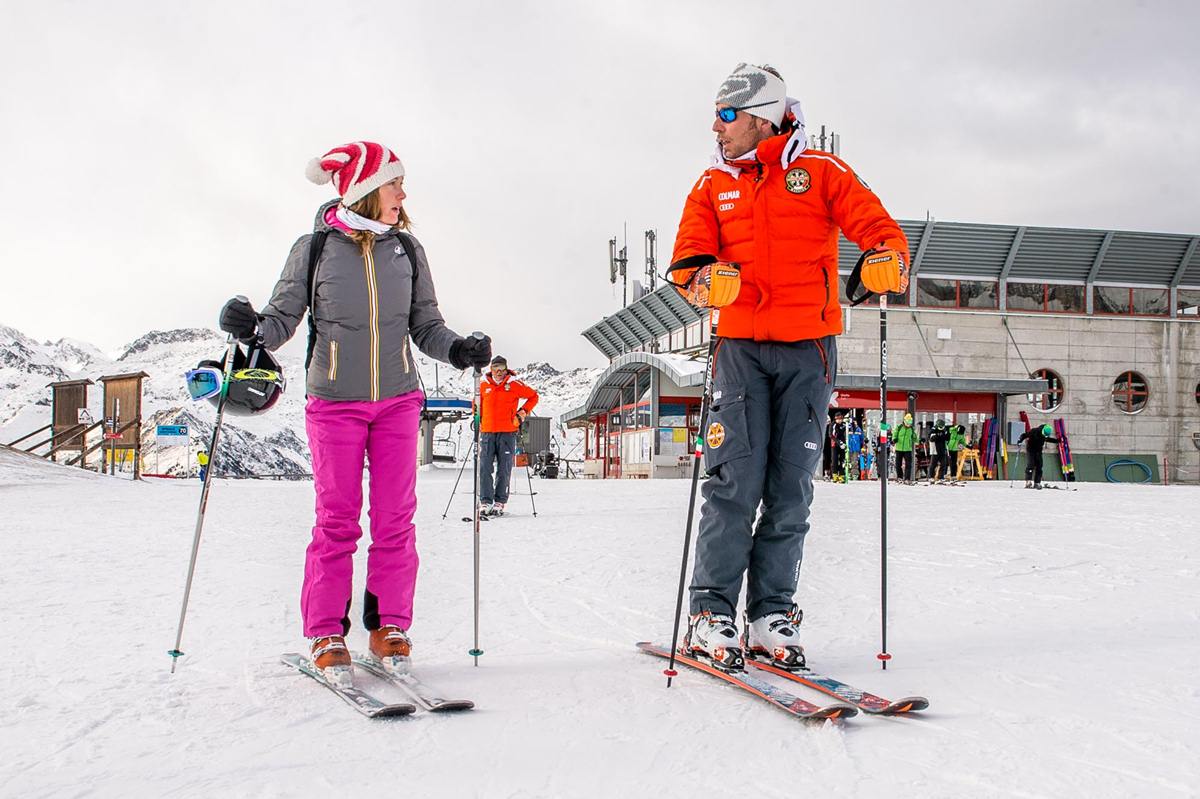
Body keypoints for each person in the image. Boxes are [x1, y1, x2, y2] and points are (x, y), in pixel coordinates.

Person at [216, 141, 492, 684]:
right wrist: (250, 328)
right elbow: (280, 320)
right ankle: (326, 630)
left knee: (395, 520)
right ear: (366, 189)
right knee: (337, 520)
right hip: (334, 403)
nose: (403, 194)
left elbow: (426, 325)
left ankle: (389, 625)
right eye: (395, 184)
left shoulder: (407, 250)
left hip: (398, 400)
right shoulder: (314, 249)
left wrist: (459, 350)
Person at [665, 63, 909, 671]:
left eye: (726, 116)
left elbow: (879, 229)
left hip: (808, 349)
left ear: (760, 118)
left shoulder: (821, 172)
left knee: (790, 487)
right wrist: (704, 281)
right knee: (733, 482)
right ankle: (711, 611)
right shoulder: (712, 184)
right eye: (716, 115)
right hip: (740, 349)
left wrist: (885, 258)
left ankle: (771, 613)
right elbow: (687, 261)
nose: (716, 128)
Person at [478, 355, 539, 516]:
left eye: (502, 369)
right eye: (495, 369)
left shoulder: (514, 385)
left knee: (504, 468)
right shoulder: (483, 385)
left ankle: (500, 502)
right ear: (491, 369)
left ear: (506, 370)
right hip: (487, 433)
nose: (499, 372)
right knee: (484, 467)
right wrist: (478, 420)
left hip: (507, 432)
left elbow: (534, 396)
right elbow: (476, 405)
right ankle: (485, 501)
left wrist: (522, 412)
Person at [1017, 423, 1059, 489]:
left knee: (1039, 466)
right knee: (1031, 465)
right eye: (1044, 434)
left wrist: (1057, 441)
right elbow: (1024, 435)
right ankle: (1028, 482)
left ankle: (1037, 482)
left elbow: (1047, 439)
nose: (1045, 436)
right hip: (1031, 450)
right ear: (1043, 430)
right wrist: (1020, 440)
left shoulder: (1044, 435)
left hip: (1038, 451)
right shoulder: (1034, 431)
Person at [894, 413, 916, 484]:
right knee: (898, 463)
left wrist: (917, 439)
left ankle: (907, 478)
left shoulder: (911, 429)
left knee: (908, 464)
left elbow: (914, 437)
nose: (908, 424)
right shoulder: (899, 427)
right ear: (904, 421)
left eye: (910, 423)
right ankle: (899, 477)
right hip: (899, 448)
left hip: (907, 449)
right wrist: (894, 439)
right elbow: (895, 433)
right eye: (907, 422)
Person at [928, 419, 951, 484]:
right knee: (933, 464)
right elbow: (932, 439)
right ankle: (931, 477)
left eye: (942, 427)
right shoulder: (933, 430)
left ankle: (941, 477)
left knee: (943, 464)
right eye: (940, 427)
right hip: (935, 450)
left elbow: (947, 437)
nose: (941, 428)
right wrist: (940, 436)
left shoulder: (945, 430)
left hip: (943, 449)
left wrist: (942, 436)